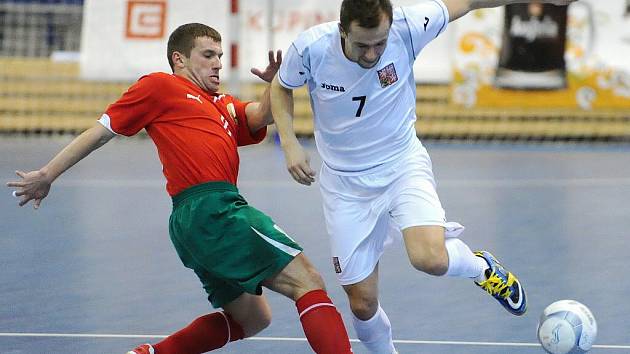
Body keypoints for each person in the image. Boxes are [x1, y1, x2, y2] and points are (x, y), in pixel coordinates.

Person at [7, 23, 353, 354]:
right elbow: (101, 131)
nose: (218, 62)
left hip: (195, 223)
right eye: (208, 54)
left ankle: (150, 353)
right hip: (214, 209)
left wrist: (279, 83)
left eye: (220, 55)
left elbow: (263, 114)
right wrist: (48, 173)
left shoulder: (222, 104)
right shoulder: (160, 86)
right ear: (179, 59)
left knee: (252, 318)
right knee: (307, 280)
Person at [270, 0, 576, 353]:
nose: (372, 54)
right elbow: (281, 86)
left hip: (401, 165)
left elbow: (471, 1)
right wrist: (289, 141)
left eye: (379, 44)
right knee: (362, 304)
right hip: (345, 186)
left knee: (430, 258)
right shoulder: (311, 47)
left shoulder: (408, 26)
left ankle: (481, 269)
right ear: (342, 30)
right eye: (361, 45)